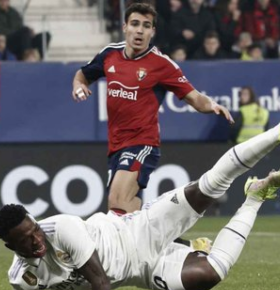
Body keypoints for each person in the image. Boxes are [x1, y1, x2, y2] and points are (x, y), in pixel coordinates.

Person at [0, 110, 280, 290]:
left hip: (138, 231)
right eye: (26, 240)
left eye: (35, 230)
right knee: (209, 274)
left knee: (208, 188)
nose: (36, 240)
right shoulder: (20, 277)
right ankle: (255, 197)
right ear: (12, 248)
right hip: (141, 272)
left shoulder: (62, 227)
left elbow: (99, 280)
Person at [71, 3, 233, 215]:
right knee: (123, 208)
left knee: (117, 200)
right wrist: (79, 86)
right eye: (135, 24)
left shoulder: (161, 64)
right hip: (116, 144)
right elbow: (82, 75)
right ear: (125, 27)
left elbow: (193, 97)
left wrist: (211, 104)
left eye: (146, 26)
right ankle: (167, 236)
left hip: (142, 143)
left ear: (152, 31)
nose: (139, 30)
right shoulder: (110, 54)